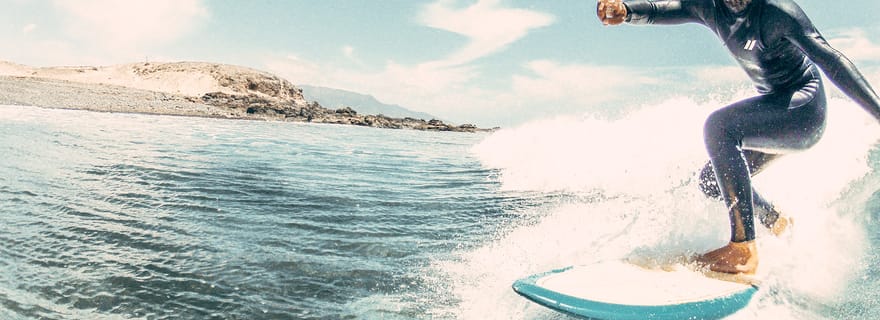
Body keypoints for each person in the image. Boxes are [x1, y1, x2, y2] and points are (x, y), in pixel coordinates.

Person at [596, 0, 880, 274]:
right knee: (712, 181)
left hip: (803, 113)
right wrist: (626, 11)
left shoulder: (776, 11)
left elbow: (832, 61)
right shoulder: (709, 6)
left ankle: (743, 250)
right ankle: (777, 222)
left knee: (719, 127)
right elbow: (667, 8)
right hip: (774, 109)